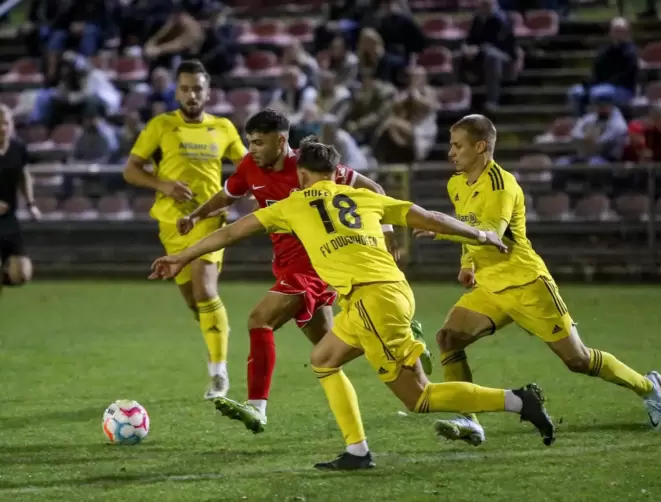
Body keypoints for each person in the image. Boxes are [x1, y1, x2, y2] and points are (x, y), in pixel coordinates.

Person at [150, 138, 556, 470]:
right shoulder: (362, 198)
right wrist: (481, 236)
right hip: (386, 293)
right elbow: (430, 217)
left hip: (371, 300)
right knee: (324, 358)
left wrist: (181, 256)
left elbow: (232, 232)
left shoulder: (293, 203)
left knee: (419, 398)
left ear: (303, 174)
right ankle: (357, 451)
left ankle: (518, 400)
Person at [415, 114, 661, 447]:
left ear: (481, 147)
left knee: (577, 360)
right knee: (448, 338)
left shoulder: (501, 186)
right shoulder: (457, 183)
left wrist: (439, 231)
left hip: (527, 284)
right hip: (490, 286)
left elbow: (489, 234)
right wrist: (467, 263)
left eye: (457, 145)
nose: (451, 152)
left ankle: (647, 387)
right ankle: (469, 419)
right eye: (451, 145)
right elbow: (468, 227)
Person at [175, 109, 432, 433]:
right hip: (286, 265)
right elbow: (227, 195)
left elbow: (374, 190)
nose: (251, 149)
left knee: (259, 319)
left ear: (281, 141)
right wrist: (196, 216)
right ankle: (407, 345)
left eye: (258, 142)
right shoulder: (249, 167)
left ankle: (257, 407)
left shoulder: (312, 167)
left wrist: (388, 231)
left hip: (316, 264)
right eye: (249, 142)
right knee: (328, 347)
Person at [122, 60, 247, 400]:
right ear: (177, 91)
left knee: (205, 290)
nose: (192, 94)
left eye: (198, 89)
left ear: (208, 93)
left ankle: (219, 375)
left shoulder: (223, 127)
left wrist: (232, 196)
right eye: (186, 88)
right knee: (194, 300)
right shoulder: (161, 126)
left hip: (209, 220)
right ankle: (216, 331)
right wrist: (163, 185)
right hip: (170, 224)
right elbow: (131, 171)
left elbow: (248, 167)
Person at [0, 105, 42, 296]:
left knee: (21, 274)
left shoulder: (18, 148)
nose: (2, 128)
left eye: (5, 123)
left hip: (9, 219)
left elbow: (24, 175)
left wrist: (31, 204)